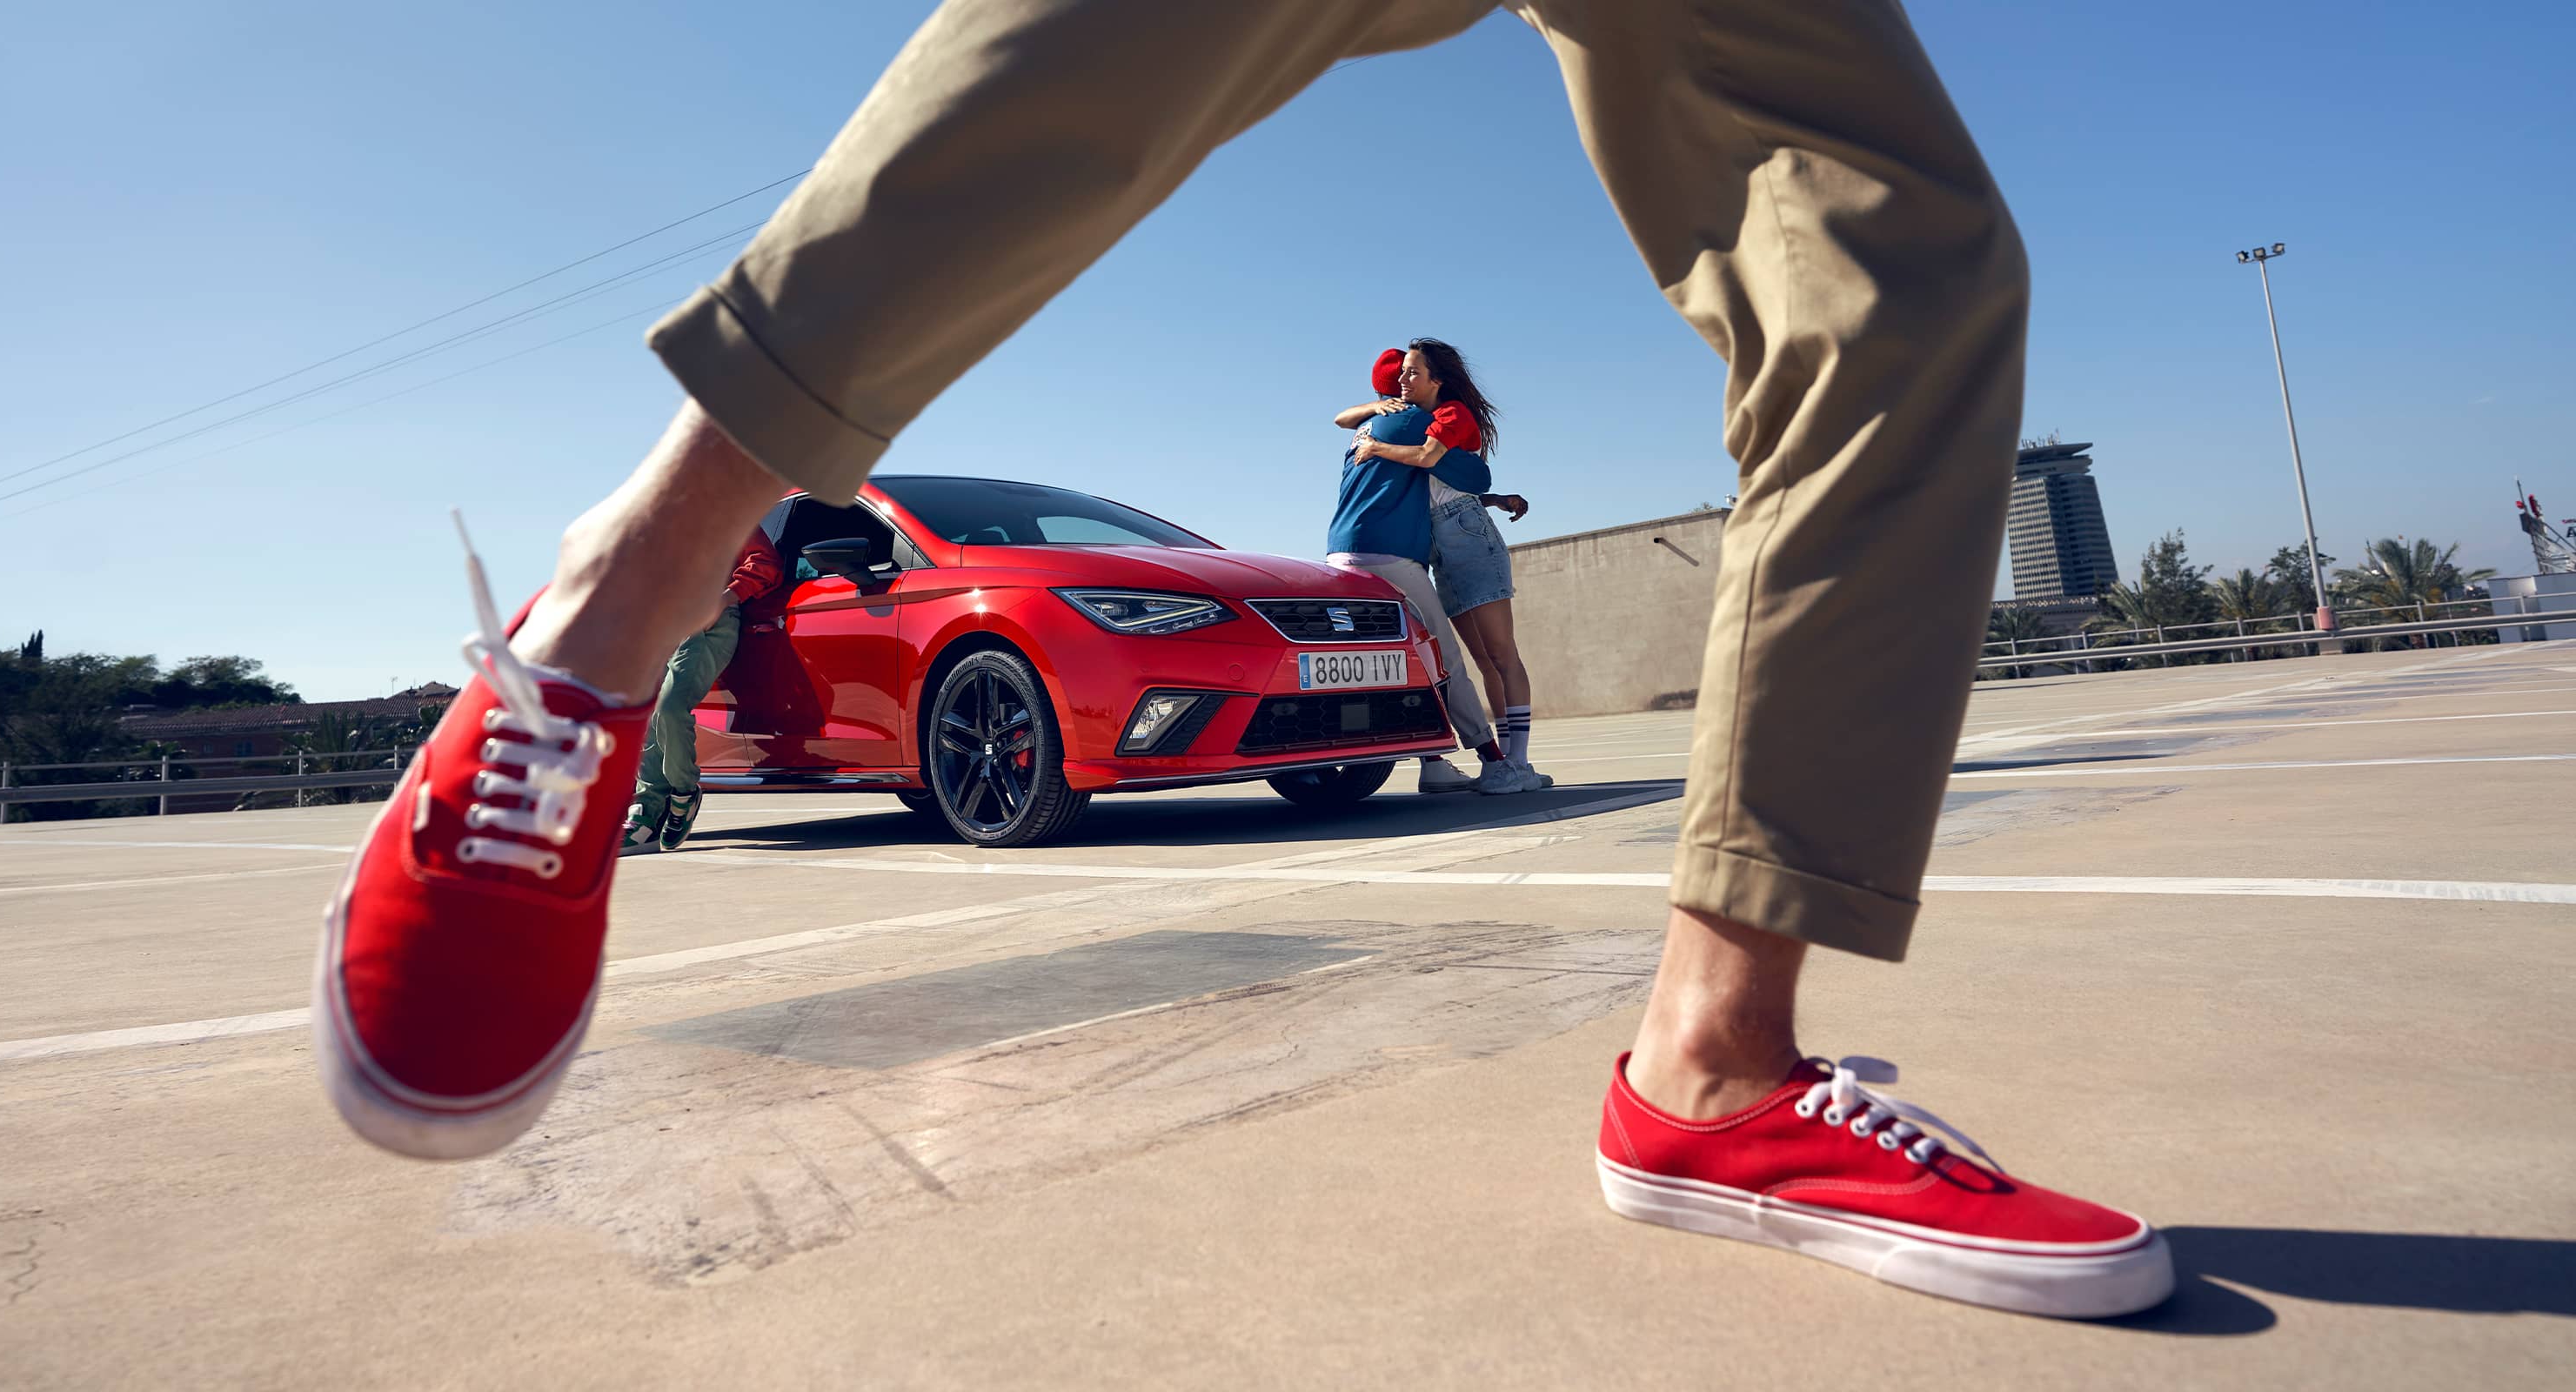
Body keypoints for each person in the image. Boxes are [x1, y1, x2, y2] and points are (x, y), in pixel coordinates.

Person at [314, 0, 2173, 1319]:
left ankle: (1714, 1066)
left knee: (1909, 270)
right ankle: (623, 592)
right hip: (848, 583)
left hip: (1338, 569)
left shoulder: (1355, 473)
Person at [1337, 341, 1550, 788]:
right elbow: (1459, 482)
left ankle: (1514, 761)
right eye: (1400, 376)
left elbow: (1460, 473)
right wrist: (1375, 412)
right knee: (1472, 660)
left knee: (1493, 654)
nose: (1403, 381)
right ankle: (1473, 761)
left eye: (1413, 373)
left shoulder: (1435, 419)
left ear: (1437, 380)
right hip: (1433, 543)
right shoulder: (1404, 420)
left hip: (1461, 538)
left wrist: (1375, 445)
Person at [619, 530, 784, 853]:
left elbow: (765, 562)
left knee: (669, 708)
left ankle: (683, 792)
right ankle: (646, 813)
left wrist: (727, 597)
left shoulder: (727, 511)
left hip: (706, 618)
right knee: (643, 715)